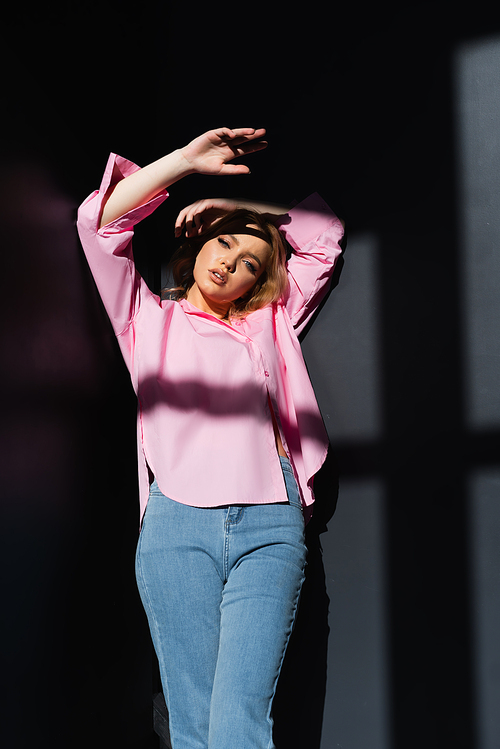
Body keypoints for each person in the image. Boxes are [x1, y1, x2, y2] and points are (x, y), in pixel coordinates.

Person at [77, 127, 344, 749]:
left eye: (250, 262)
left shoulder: (270, 323)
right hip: (177, 530)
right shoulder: (147, 319)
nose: (231, 261)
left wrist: (244, 213)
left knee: (239, 726)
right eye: (224, 242)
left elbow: (321, 238)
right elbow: (100, 225)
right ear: (196, 245)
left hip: (269, 523)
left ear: (257, 283)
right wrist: (186, 165)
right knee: (193, 729)